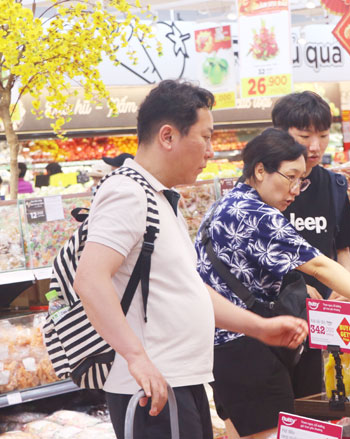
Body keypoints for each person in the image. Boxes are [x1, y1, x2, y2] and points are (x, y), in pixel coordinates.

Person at [73, 80, 307, 439]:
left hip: (180, 381)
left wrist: (259, 328)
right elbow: (90, 279)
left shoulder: (161, 199)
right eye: (206, 137)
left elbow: (188, 290)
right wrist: (136, 357)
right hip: (154, 389)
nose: (211, 151)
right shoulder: (127, 192)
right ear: (168, 136)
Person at [196, 128, 350, 439]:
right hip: (247, 351)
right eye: (290, 177)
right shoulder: (254, 213)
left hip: (222, 349)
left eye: (300, 180)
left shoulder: (224, 205)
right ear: (260, 170)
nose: (295, 189)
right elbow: (318, 265)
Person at [274, 91, 350, 302]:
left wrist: (344, 285)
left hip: (326, 307)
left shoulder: (335, 185)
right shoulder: (263, 188)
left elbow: (343, 249)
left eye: (323, 136)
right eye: (304, 136)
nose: (315, 147)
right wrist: (292, 285)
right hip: (277, 312)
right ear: (280, 133)